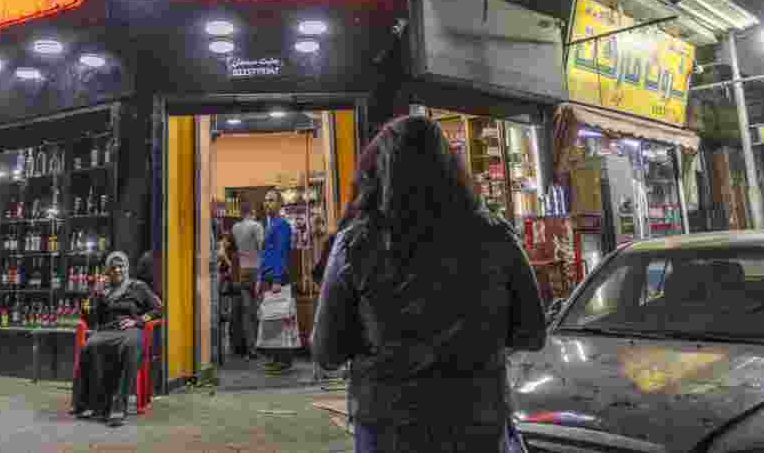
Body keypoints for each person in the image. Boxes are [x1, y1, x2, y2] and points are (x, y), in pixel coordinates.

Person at [312, 115, 547, 453]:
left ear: (376, 173)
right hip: (477, 423)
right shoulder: (494, 235)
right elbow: (533, 333)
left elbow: (326, 351)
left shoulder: (356, 245)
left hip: (388, 428)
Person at [71, 251, 163, 426]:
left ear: (127, 267)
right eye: (113, 267)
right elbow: (91, 318)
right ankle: (92, 404)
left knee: (129, 346)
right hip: (107, 330)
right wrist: (96, 294)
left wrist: (137, 321)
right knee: (90, 346)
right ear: (108, 271)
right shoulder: (103, 290)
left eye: (121, 266)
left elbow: (159, 309)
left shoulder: (138, 286)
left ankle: (118, 405)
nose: (118, 270)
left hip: (131, 330)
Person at [257, 189, 299, 373]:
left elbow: (281, 253)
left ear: (280, 204)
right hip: (268, 278)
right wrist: (260, 278)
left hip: (278, 279)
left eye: (272, 200)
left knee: (282, 319)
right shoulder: (270, 225)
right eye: (266, 200)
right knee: (270, 321)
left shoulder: (282, 225)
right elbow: (265, 254)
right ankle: (275, 358)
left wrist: (276, 279)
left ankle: (284, 361)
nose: (267, 203)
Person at [232, 200, 263, 360]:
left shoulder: (235, 228)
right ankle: (262, 346)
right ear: (251, 211)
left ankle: (250, 349)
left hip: (243, 271)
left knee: (247, 312)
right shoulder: (256, 226)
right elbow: (261, 247)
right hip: (257, 269)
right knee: (260, 310)